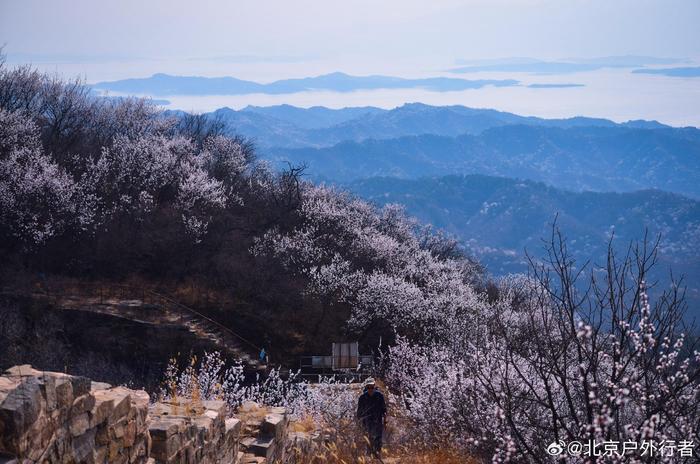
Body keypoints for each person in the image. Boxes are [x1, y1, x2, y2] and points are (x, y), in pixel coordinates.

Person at [356, 377, 387, 459]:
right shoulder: (362, 397)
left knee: (378, 437)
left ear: (374, 386)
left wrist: (385, 421)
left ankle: (377, 454)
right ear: (366, 387)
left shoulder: (379, 396)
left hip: (378, 419)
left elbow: (384, 409)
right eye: (368, 387)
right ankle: (369, 454)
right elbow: (359, 411)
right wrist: (359, 421)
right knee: (369, 437)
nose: (370, 389)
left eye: (371, 387)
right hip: (367, 421)